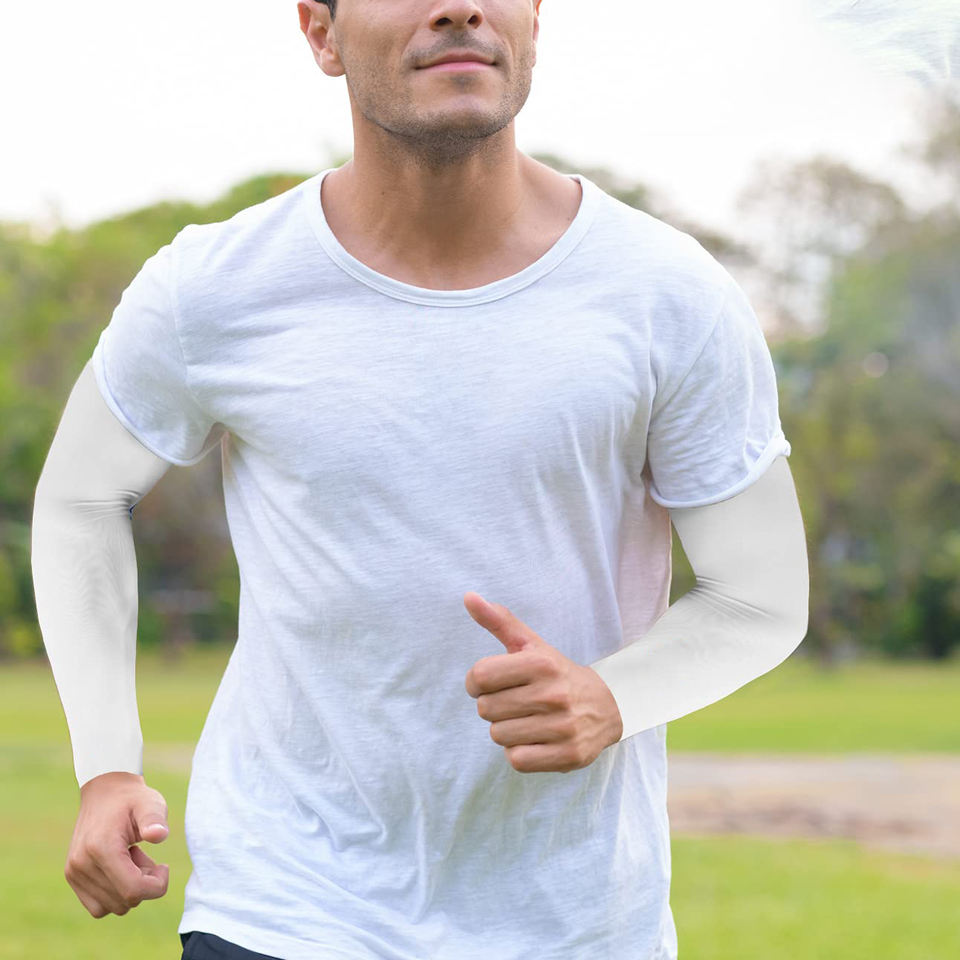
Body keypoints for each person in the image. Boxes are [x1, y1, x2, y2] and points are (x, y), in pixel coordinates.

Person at [30, 0, 810, 958]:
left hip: (572, 926)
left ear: (534, 20)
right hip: (283, 909)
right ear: (321, 33)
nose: (458, 6)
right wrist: (107, 764)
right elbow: (80, 499)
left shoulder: (667, 293)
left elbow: (759, 596)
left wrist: (614, 697)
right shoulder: (213, 288)